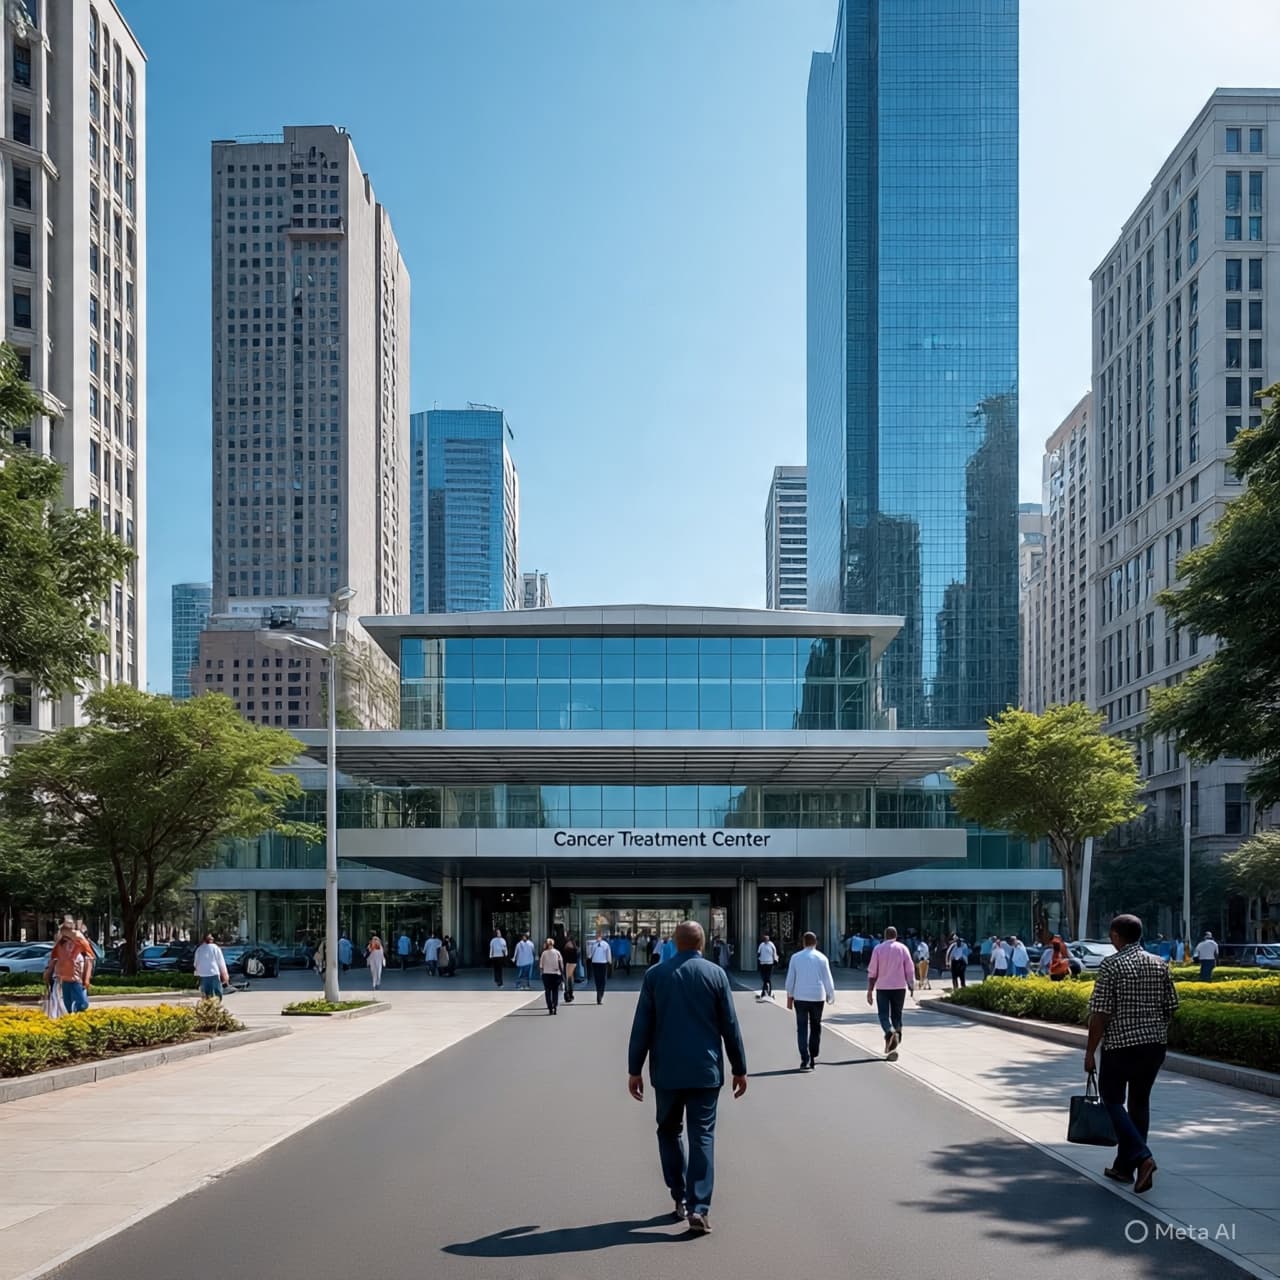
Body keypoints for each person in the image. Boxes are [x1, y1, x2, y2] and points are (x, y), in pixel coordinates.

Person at [627, 920, 747, 1236]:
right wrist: (740, 1067)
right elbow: (730, 1026)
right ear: (702, 943)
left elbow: (642, 1026)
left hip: (666, 1072)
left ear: (674, 943)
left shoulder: (655, 976)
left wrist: (634, 1069)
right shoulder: (716, 975)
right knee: (702, 1135)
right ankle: (699, 1208)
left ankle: (678, 1196)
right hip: (705, 1072)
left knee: (668, 1130)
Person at [1085, 913, 1179, 1196]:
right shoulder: (1159, 963)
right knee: (1140, 1103)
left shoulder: (1111, 965)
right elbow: (1171, 1006)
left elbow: (1100, 1014)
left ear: (1115, 935)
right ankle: (1125, 1168)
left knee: (1112, 1100)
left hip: (1120, 1045)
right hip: (1153, 1046)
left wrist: (1090, 1052)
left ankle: (1142, 1157)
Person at [785, 931, 836, 1072]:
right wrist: (830, 993)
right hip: (817, 996)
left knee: (801, 1027)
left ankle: (804, 1058)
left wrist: (789, 992)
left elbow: (790, 979)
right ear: (815, 942)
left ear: (803, 942)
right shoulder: (822, 958)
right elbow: (827, 978)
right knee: (815, 1026)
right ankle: (813, 1055)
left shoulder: (795, 958)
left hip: (800, 996)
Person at [866, 925, 915, 1060]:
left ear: (884, 935)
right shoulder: (903, 948)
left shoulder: (878, 949)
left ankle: (889, 1031)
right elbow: (909, 969)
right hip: (899, 987)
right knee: (897, 1015)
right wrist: (911, 985)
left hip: (882, 987)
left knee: (883, 1015)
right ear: (896, 935)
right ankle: (895, 1040)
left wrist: (870, 990)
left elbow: (872, 971)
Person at [42, 919, 96, 1014]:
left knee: (81, 1003)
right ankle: (71, 1017)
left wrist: (86, 978)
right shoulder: (61, 943)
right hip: (64, 978)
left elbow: (90, 959)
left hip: (76, 978)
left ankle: (79, 1015)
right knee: (67, 1002)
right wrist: (49, 970)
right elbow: (54, 958)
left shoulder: (80, 941)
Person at [193, 933, 230, 1000]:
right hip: (213, 974)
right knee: (216, 993)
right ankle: (215, 1006)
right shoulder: (215, 948)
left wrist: (197, 973)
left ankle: (207, 1006)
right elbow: (221, 962)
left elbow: (196, 964)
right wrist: (225, 975)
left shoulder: (199, 949)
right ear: (211, 940)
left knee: (205, 994)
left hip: (203, 975)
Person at [539, 938, 565, 1014]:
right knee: (555, 991)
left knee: (547, 991)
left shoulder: (544, 953)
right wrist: (562, 974)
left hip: (546, 974)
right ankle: (555, 1005)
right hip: (556, 974)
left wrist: (541, 973)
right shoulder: (557, 952)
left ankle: (549, 1006)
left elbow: (541, 965)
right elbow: (561, 964)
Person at [588, 931, 612, 1004]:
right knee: (602, 979)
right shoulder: (605, 944)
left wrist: (589, 957)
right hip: (602, 963)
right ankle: (600, 994)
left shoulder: (594, 945)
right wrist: (609, 961)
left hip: (596, 963)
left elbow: (590, 955)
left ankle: (599, 993)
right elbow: (608, 954)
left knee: (597, 979)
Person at [756, 933, 779, 1000]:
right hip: (763, 963)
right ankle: (765, 992)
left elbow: (774, 953)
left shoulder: (771, 945)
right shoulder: (761, 945)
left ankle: (766, 993)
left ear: (768, 940)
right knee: (764, 978)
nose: (765, 940)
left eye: (766, 939)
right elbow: (758, 953)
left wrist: (775, 960)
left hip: (769, 963)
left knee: (768, 979)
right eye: (764, 939)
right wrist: (758, 959)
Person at [561, 934, 579, 1003]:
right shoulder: (575, 947)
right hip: (573, 964)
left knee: (567, 979)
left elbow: (564, 957)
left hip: (568, 963)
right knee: (571, 979)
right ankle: (570, 994)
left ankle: (567, 994)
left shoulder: (567, 946)